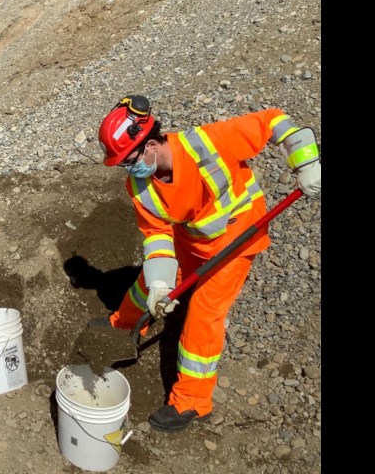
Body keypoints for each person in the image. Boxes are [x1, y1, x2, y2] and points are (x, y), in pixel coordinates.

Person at [93, 94, 320, 432]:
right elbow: (156, 235)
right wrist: (159, 285)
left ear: (151, 144)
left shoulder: (206, 142)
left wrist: (307, 161)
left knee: (203, 312)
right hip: (192, 240)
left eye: (130, 159)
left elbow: (272, 121)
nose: (129, 167)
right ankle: (123, 327)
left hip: (237, 238)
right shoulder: (139, 185)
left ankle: (192, 402)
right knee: (147, 285)